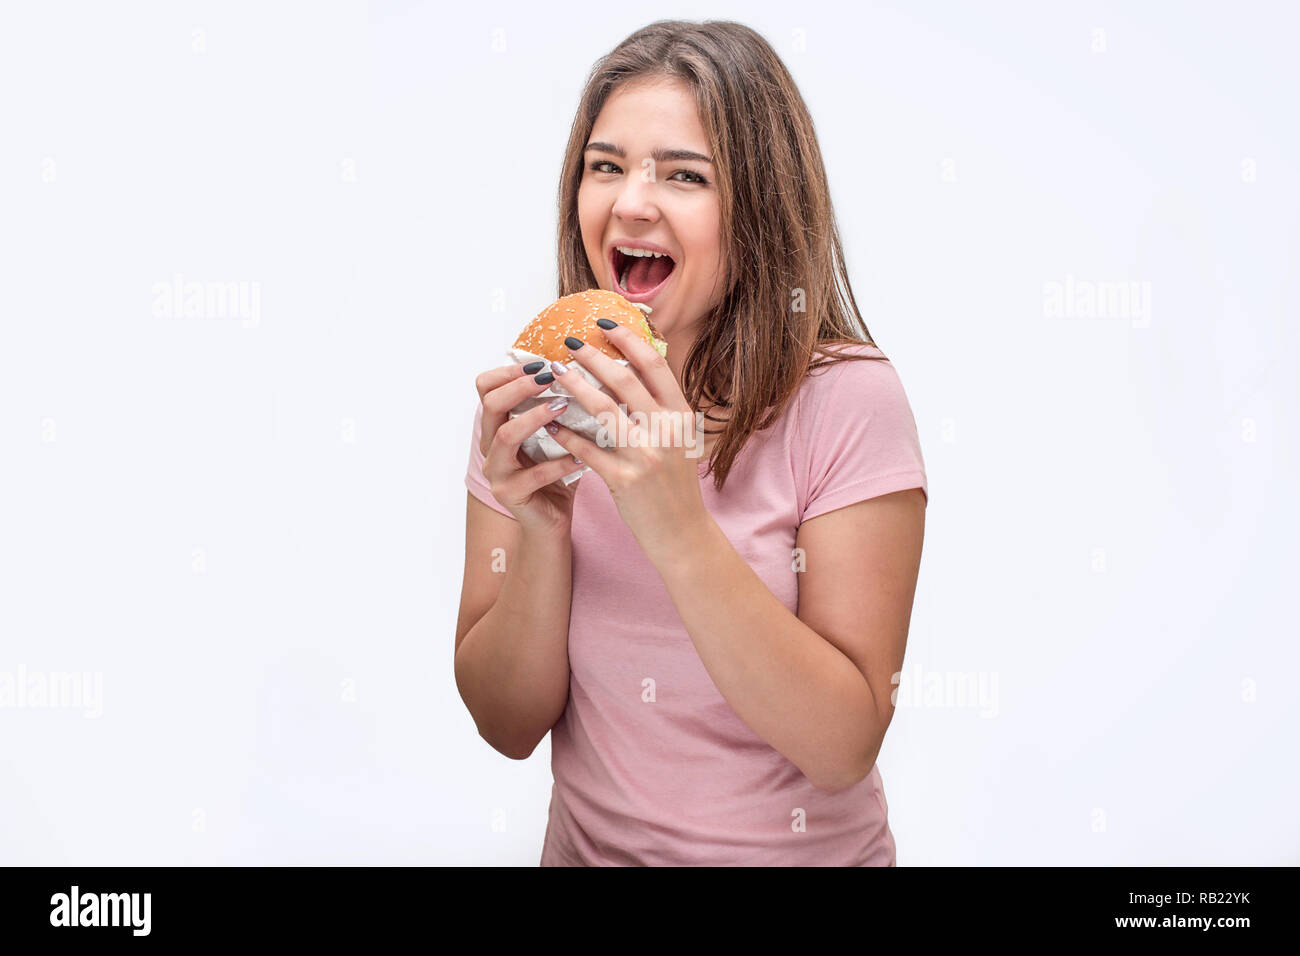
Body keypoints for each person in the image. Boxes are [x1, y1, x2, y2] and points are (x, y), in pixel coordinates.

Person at [455, 20, 928, 866]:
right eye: (606, 166)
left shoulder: (849, 400)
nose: (631, 201)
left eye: (684, 176)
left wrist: (672, 522)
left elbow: (842, 745)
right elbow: (507, 725)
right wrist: (541, 530)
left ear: (760, 207)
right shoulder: (542, 395)